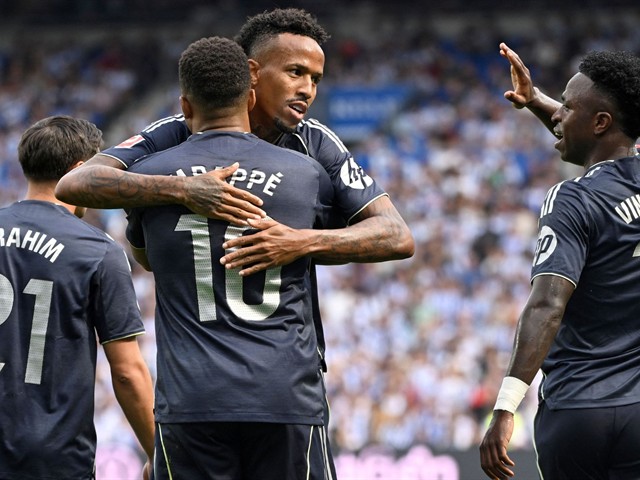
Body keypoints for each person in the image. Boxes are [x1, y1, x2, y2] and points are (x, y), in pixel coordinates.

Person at [56, 7, 414, 477]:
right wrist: (183, 189)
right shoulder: (175, 133)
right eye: (295, 72)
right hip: (232, 390)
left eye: (315, 78)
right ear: (251, 74)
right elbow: (77, 183)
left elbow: (396, 234)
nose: (307, 89)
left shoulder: (315, 142)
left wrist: (301, 241)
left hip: (253, 388)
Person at [125, 35, 338, 479]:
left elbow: (145, 258)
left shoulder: (147, 175)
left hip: (191, 399)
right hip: (285, 396)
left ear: (185, 107)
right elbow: (373, 239)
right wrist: (300, 242)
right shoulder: (305, 173)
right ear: (251, 95)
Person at [479, 49, 640, 479]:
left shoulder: (573, 198)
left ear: (600, 123)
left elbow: (547, 306)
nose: (558, 116)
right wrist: (536, 100)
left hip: (578, 412)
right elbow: (601, 130)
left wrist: (505, 407)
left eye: (567, 107)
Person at [0, 115, 155, 479]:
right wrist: (158, 452)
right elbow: (127, 372)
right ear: (80, 169)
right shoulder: (96, 251)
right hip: (51, 456)